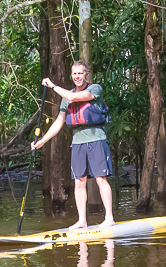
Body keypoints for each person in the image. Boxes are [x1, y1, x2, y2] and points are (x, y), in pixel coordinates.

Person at [31, 60, 115, 230]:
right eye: (74, 74)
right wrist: (42, 141)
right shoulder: (66, 97)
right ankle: (82, 220)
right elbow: (59, 122)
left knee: (101, 179)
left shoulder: (94, 89)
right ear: (72, 75)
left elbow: (74, 97)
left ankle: (109, 218)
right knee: (79, 182)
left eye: (80, 73)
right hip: (77, 142)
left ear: (86, 74)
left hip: (96, 139)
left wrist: (52, 85)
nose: (77, 76)